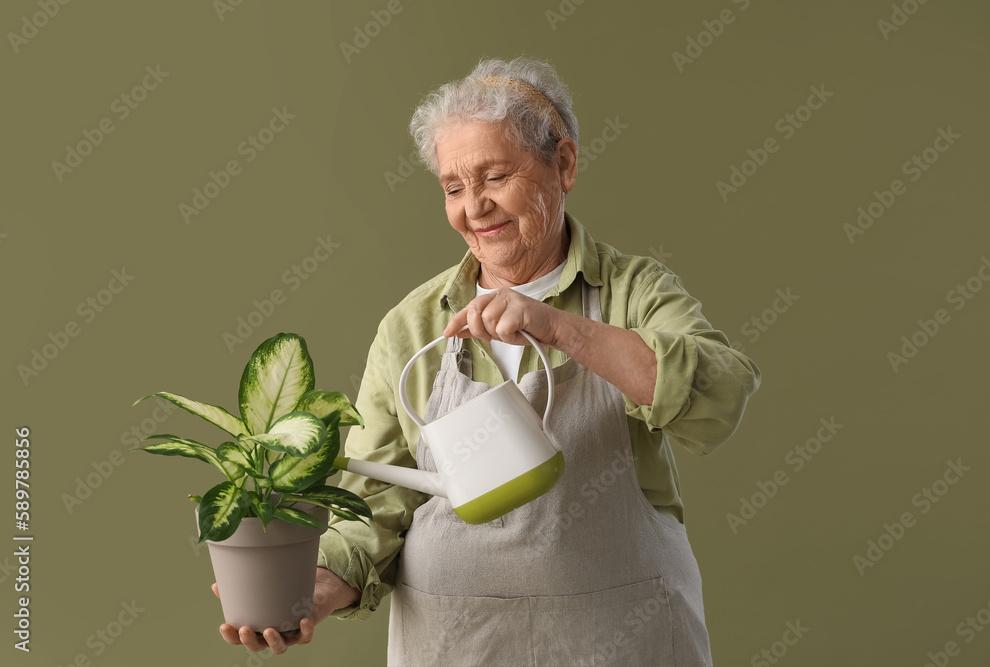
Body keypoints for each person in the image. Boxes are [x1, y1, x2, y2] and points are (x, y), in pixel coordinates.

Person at [216, 56, 761, 665]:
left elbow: (720, 394)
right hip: (455, 642)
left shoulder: (633, 291)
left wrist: (561, 329)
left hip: (621, 640)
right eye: (454, 187)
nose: (474, 207)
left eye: (495, 177)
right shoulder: (414, 324)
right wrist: (318, 588)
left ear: (565, 164)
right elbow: (376, 496)